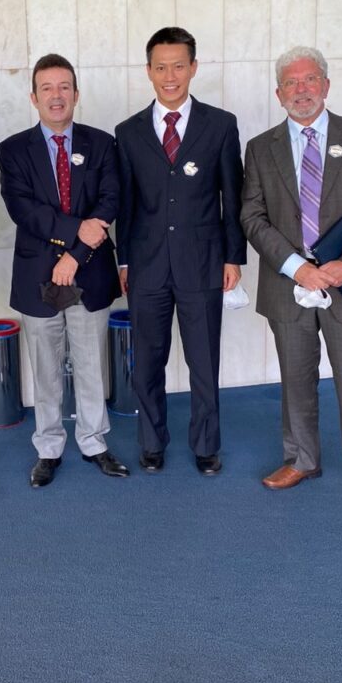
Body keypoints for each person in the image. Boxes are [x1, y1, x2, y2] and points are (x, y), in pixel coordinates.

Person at [241, 46, 342, 511]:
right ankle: (301, 459)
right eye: (291, 82)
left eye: (310, 80)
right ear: (278, 93)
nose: (301, 90)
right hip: (290, 283)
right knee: (295, 377)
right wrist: (299, 268)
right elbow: (252, 216)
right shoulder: (260, 148)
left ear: (326, 85)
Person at [115, 27, 245, 476]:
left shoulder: (220, 125)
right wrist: (124, 260)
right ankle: (152, 442)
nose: (169, 76)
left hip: (203, 263)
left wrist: (233, 257)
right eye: (160, 67)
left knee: (204, 362)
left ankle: (206, 445)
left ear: (193, 68)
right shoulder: (128, 132)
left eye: (178, 66)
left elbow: (233, 196)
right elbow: (126, 205)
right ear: (148, 71)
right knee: (147, 362)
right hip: (146, 265)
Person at [0, 54, 128, 488]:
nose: (57, 96)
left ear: (76, 93)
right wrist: (75, 235)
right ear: (33, 97)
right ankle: (49, 448)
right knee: (46, 369)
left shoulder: (102, 143)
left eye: (64, 87)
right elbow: (24, 210)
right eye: (47, 88)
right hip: (37, 275)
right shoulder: (13, 150)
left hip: (90, 271)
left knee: (91, 364)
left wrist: (75, 256)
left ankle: (94, 442)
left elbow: (109, 201)